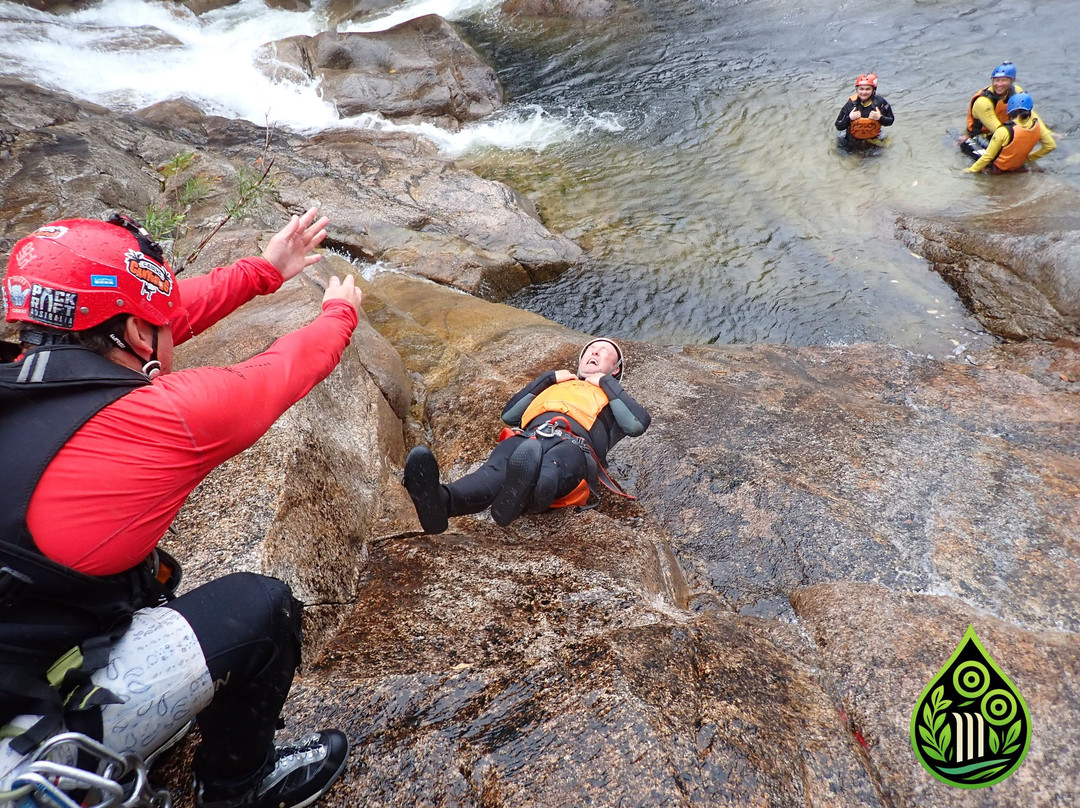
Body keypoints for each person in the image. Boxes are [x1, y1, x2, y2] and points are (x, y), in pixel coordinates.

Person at [0, 210, 361, 808]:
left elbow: (163, 317)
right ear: (140, 336)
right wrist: (340, 311)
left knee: (150, 575)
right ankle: (238, 786)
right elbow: (284, 370)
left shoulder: (20, 378)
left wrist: (264, 271)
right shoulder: (164, 418)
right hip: (25, 748)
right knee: (262, 609)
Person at [402, 338, 650, 534]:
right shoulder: (556, 383)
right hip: (529, 438)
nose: (595, 352)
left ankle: (521, 497)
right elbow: (510, 414)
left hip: (574, 447)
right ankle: (441, 501)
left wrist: (606, 383)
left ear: (616, 370)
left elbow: (637, 424)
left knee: (552, 467)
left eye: (604, 351)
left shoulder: (613, 397)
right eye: (591, 349)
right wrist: (548, 378)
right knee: (494, 469)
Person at [959, 61, 1046, 156]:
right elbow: (998, 130)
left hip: (1004, 131)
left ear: (1012, 80)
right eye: (996, 80)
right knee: (1000, 158)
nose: (999, 84)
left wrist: (1045, 133)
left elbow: (1031, 116)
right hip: (982, 136)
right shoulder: (983, 102)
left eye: (1003, 80)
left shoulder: (1017, 92)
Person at [964, 92, 1056, 173]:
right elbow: (1051, 146)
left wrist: (970, 170)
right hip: (1018, 165)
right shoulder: (1037, 126)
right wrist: (1028, 158)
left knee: (968, 141)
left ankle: (959, 140)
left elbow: (988, 156)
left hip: (998, 168)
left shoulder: (1003, 131)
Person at [834, 73, 894, 149]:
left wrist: (880, 117)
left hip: (873, 139)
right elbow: (838, 126)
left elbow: (890, 121)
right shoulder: (851, 104)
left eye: (868, 89)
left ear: (873, 90)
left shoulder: (880, 103)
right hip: (851, 140)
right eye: (861, 89)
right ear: (857, 89)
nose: (864, 92)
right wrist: (849, 118)